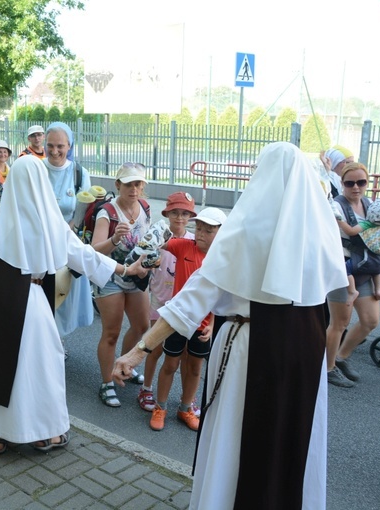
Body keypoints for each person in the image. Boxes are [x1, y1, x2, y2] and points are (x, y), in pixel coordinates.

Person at [113, 141, 347, 510]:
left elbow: (190, 301)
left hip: (250, 344)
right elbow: (338, 295)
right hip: (306, 348)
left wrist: (138, 351)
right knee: (292, 433)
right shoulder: (321, 232)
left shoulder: (242, 232)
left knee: (238, 437)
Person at [0, 156, 147, 455]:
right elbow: (83, 256)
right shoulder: (47, 217)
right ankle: (42, 435)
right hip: (30, 302)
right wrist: (126, 270)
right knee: (37, 371)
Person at [149, 206, 227, 433]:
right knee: (171, 364)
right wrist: (152, 240)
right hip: (177, 320)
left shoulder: (223, 259)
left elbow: (222, 298)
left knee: (194, 368)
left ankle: (185, 408)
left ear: (221, 232)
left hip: (203, 326)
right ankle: (160, 407)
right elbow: (157, 243)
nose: (200, 233)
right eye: (199, 228)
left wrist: (212, 325)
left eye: (208, 230)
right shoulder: (183, 245)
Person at [326, 163, 380, 388]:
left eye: (361, 182)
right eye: (350, 183)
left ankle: (341, 357)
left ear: (367, 184)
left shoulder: (370, 205)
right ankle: (328, 369)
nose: (356, 187)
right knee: (339, 323)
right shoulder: (336, 206)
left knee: (370, 320)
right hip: (344, 269)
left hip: (366, 268)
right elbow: (345, 234)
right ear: (342, 184)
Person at [92, 162, 151, 408]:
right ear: (118, 185)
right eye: (128, 184)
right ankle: (107, 383)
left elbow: (148, 240)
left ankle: (124, 365)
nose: (134, 189)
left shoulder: (145, 207)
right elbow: (93, 252)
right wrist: (115, 238)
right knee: (111, 332)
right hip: (110, 278)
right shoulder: (108, 212)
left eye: (138, 184)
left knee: (141, 326)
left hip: (136, 277)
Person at [140, 192, 198, 414]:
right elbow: (144, 261)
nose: (180, 218)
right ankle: (146, 388)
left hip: (184, 307)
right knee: (153, 347)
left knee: (182, 355)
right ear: (167, 213)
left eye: (185, 213)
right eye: (175, 213)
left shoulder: (194, 241)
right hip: (160, 302)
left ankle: (187, 400)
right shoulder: (157, 237)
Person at [44, 121, 93, 337]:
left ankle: (58, 340)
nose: (55, 151)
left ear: (70, 145)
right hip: (43, 243)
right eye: (50, 145)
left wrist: (69, 227)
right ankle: (44, 338)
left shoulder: (79, 173)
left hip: (67, 244)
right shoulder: (37, 170)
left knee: (63, 294)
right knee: (42, 294)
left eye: (60, 146)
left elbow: (83, 211)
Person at [336, 199, 380, 303]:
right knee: (378, 271)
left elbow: (351, 231)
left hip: (364, 259)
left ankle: (352, 291)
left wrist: (340, 221)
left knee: (345, 269)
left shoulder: (367, 224)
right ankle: (379, 290)